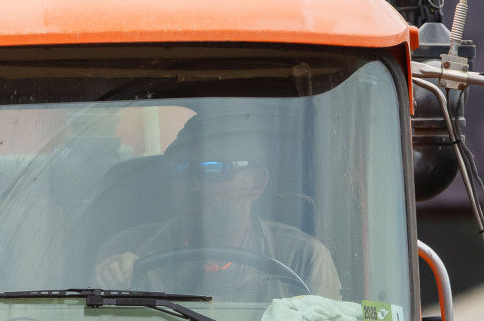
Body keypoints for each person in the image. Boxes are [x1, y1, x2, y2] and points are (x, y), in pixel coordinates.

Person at [94, 113, 341, 302]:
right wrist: (112, 284)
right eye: (182, 169)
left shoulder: (302, 259)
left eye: (214, 169)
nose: (193, 185)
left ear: (256, 183)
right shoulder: (126, 251)